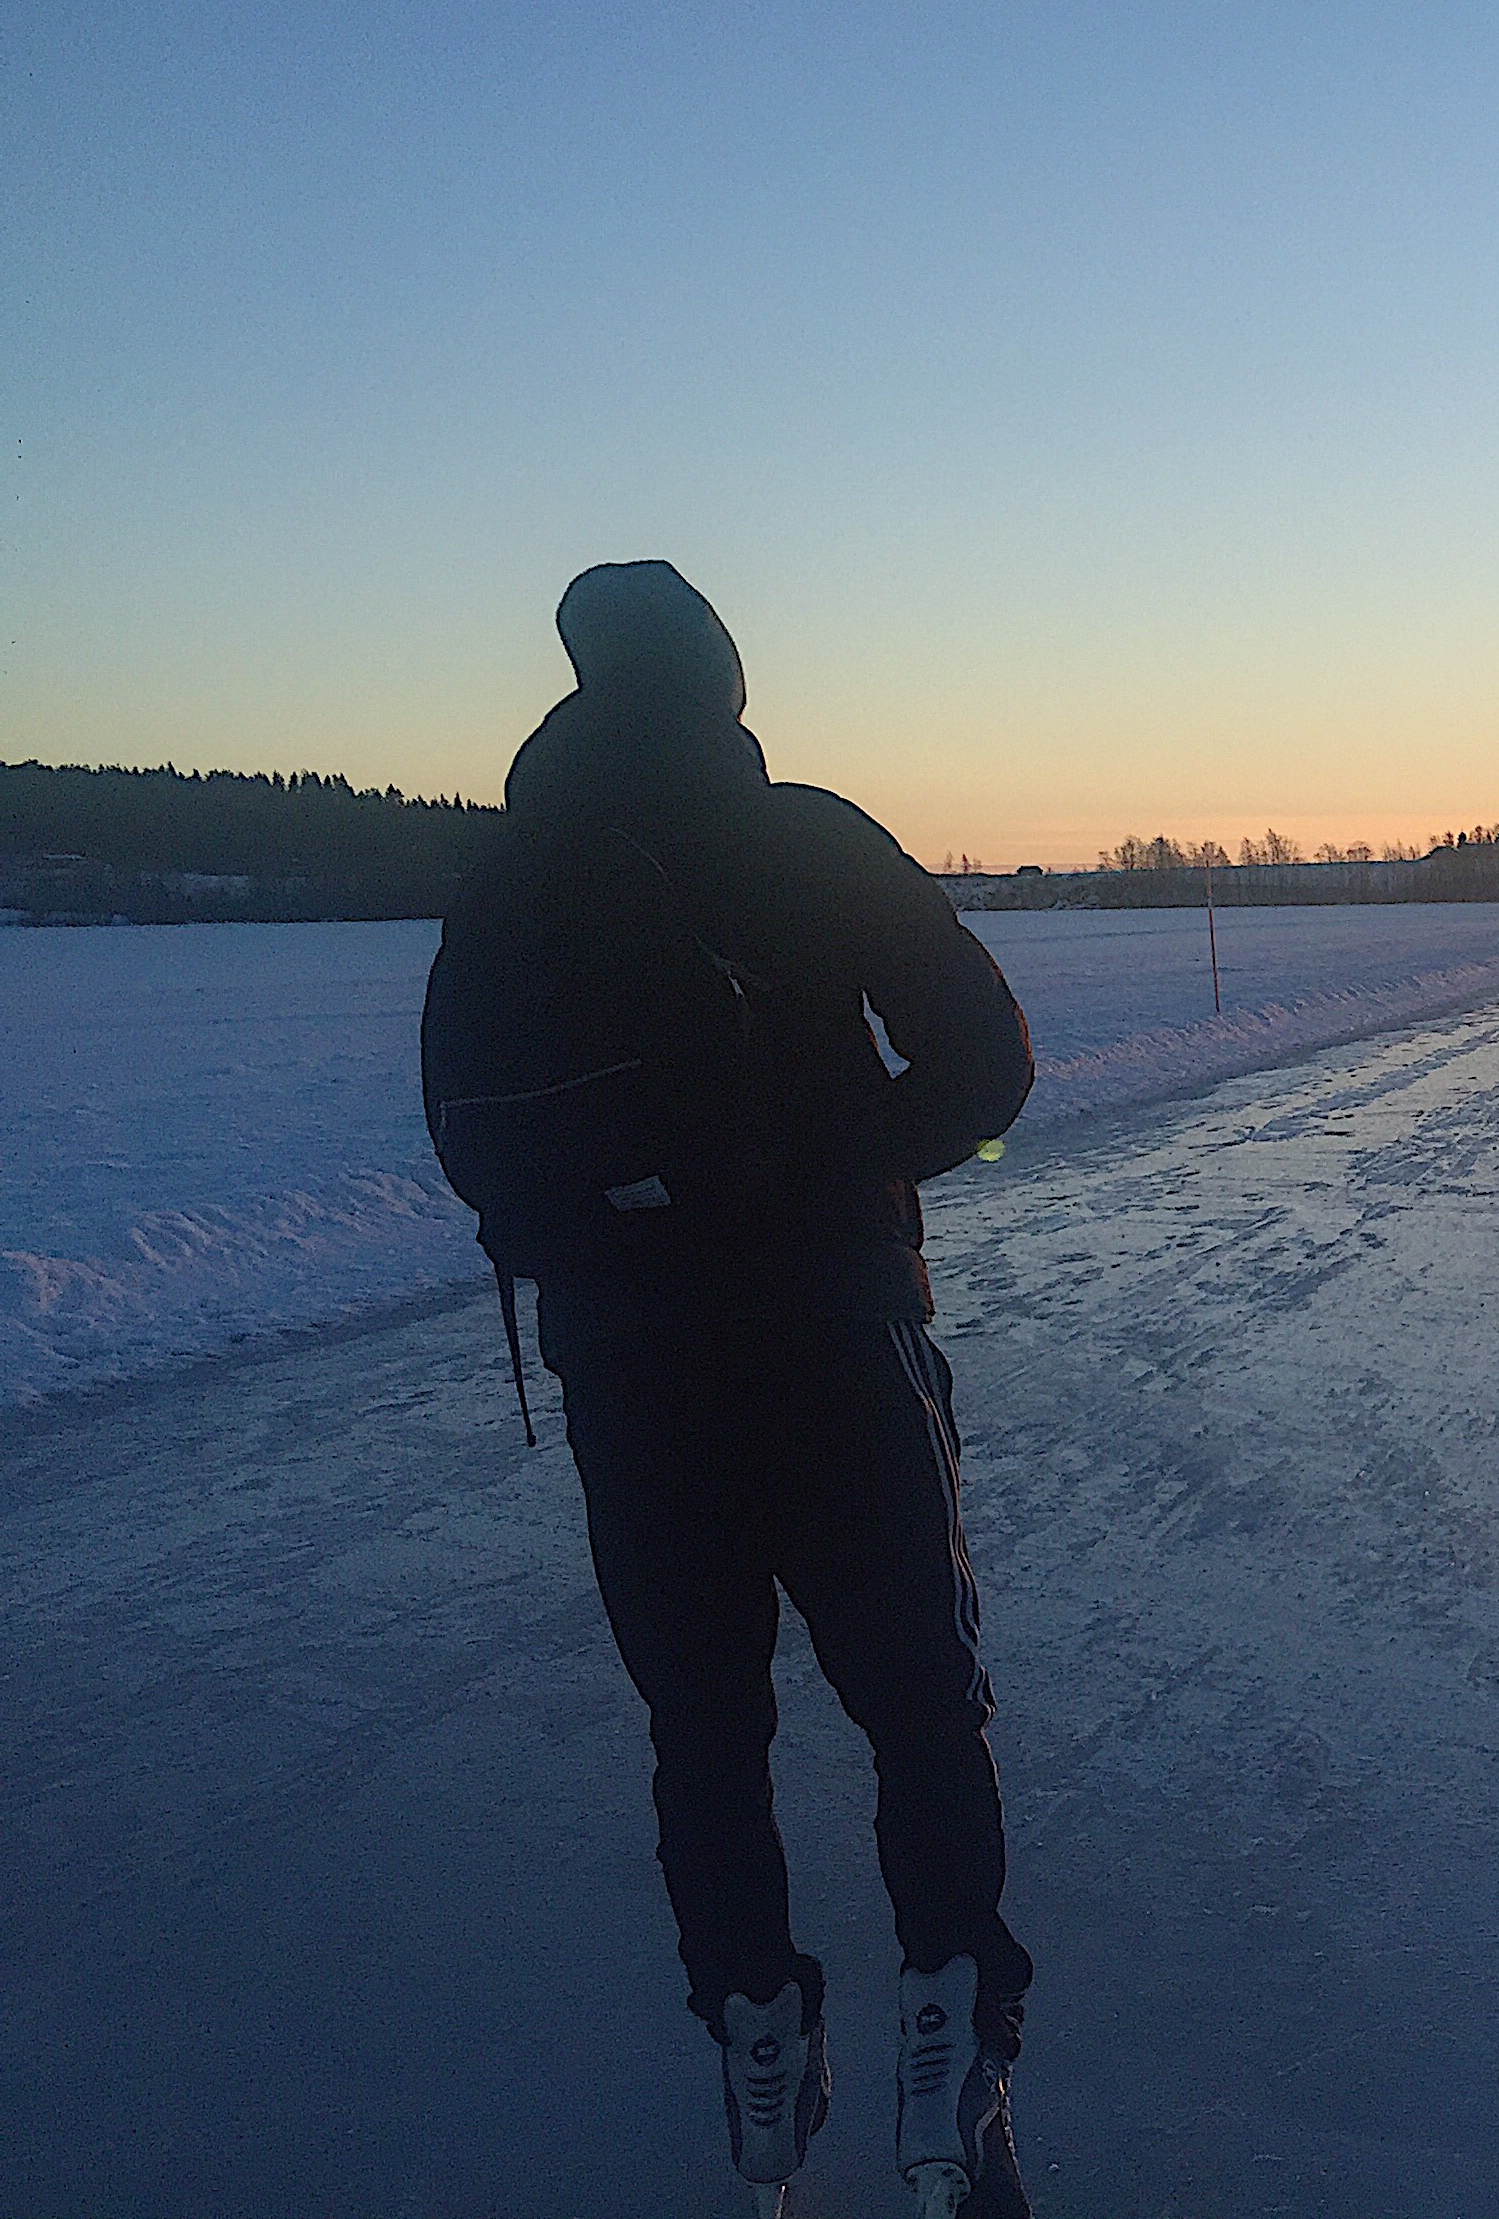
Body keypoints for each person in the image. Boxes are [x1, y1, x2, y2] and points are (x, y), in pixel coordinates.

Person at [442, 561, 1036, 2217]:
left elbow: (470, 1141)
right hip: (837, 1343)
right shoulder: (805, 839)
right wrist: (849, 1169)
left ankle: (757, 2039)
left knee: (703, 1729)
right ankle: (952, 2045)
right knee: (921, 1705)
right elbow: (989, 1067)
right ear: (724, 676)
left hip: (632, 1376)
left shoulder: (510, 878)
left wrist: (627, 1225)